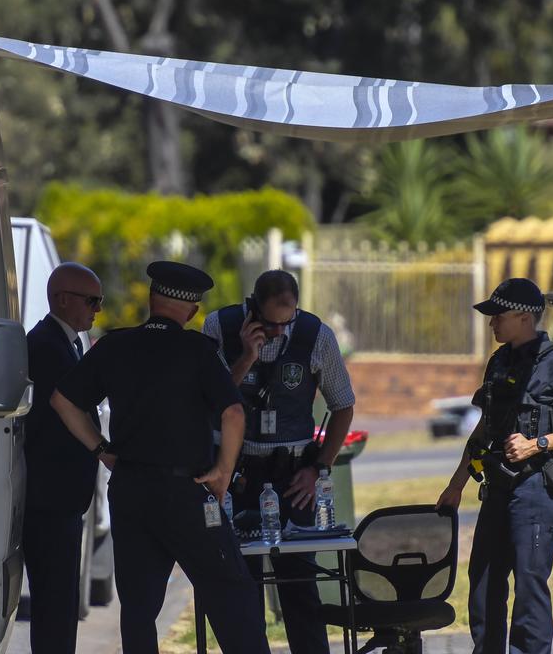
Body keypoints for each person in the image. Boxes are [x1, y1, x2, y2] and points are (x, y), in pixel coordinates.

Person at [51, 261, 270, 654]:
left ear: (152, 299)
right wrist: (222, 471)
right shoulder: (197, 350)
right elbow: (233, 413)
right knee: (232, 594)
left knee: (138, 608)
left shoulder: (116, 345)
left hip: (131, 489)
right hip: (186, 492)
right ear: (191, 310)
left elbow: (62, 400)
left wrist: (102, 450)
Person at [436, 278, 553, 654]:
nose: (492, 324)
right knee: (484, 583)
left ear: (524, 318)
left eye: (498, 316)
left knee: (529, 585)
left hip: (535, 491)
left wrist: (537, 444)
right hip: (497, 488)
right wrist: (456, 485)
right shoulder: (499, 361)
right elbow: (483, 428)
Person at [203, 269, 356, 654]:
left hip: (293, 473)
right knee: (241, 583)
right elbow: (206, 399)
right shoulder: (220, 327)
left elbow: (343, 406)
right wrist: (247, 356)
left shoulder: (315, 335)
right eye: (270, 325)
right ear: (252, 308)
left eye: (285, 324)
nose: (278, 332)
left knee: (300, 583)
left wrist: (319, 467)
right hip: (237, 473)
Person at [21, 262, 104, 654]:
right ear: (62, 299)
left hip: (61, 499)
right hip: (49, 499)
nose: (97, 310)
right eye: (92, 301)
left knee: (61, 602)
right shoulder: (46, 346)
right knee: (55, 603)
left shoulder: (66, 344)